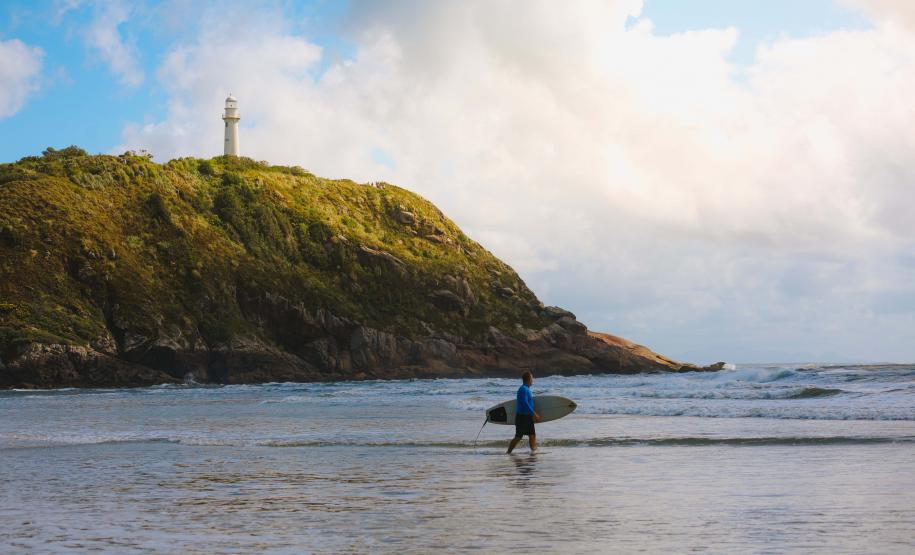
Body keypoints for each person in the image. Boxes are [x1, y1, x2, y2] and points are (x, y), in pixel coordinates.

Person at [507, 371, 541, 454]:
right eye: (532, 378)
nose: (533, 380)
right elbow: (525, 403)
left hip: (527, 417)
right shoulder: (523, 389)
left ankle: (534, 451)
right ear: (528, 379)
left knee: (532, 435)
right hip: (522, 417)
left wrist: (531, 414)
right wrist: (534, 414)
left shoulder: (526, 389)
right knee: (518, 436)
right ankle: (508, 452)